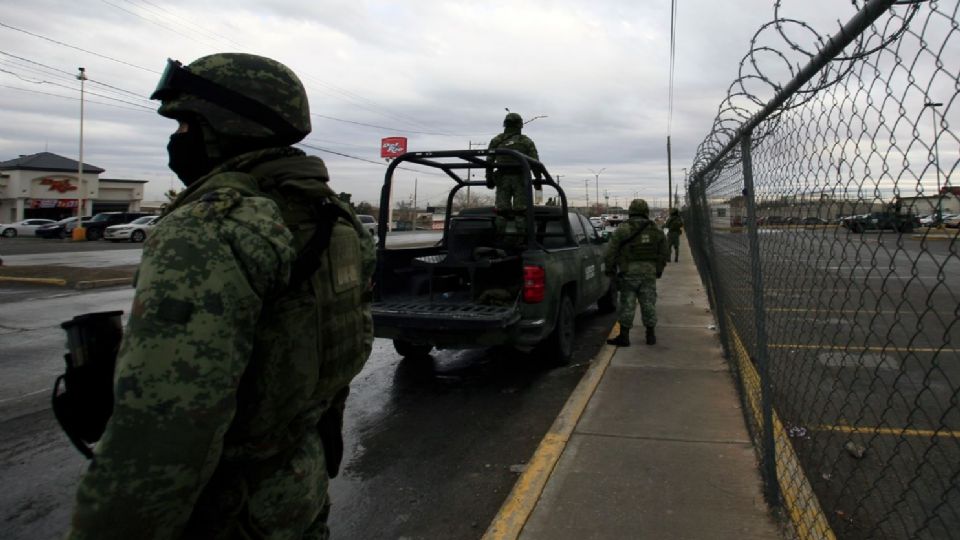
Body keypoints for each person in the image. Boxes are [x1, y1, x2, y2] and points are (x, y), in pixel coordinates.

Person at [68, 53, 375, 539]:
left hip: (225, 512)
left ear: (223, 128)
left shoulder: (211, 228)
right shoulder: (334, 218)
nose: (178, 139)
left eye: (187, 125)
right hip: (297, 488)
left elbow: (166, 431)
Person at [604, 199, 668, 346]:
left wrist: (610, 270)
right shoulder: (655, 229)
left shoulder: (623, 229)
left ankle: (624, 337)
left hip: (628, 273)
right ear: (646, 211)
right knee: (648, 302)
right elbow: (664, 252)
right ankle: (650, 335)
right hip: (649, 272)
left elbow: (610, 252)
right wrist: (658, 269)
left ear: (631, 211)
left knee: (627, 303)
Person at [486, 112, 541, 244]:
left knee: (502, 212)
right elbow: (535, 163)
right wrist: (538, 181)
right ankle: (521, 241)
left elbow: (489, 161)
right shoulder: (525, 141)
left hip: (502, 179)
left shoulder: (497, 140)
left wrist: (489, 178)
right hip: (521, 179)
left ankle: (500, 240)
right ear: (520, 125)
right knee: (520, 212)